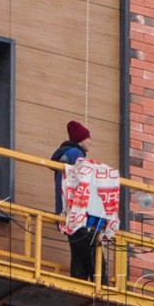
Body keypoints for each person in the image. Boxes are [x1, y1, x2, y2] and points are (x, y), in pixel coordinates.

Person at [51, 120, 106, 280]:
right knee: (95, 257)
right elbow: (83, 184)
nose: (90, 141)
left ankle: (78, 287)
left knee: (79, 255)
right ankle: (104, 293)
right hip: (79, 214)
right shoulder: (76, 154)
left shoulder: (64, 155)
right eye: (88, 137)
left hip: (67, 214)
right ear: (81, 139)